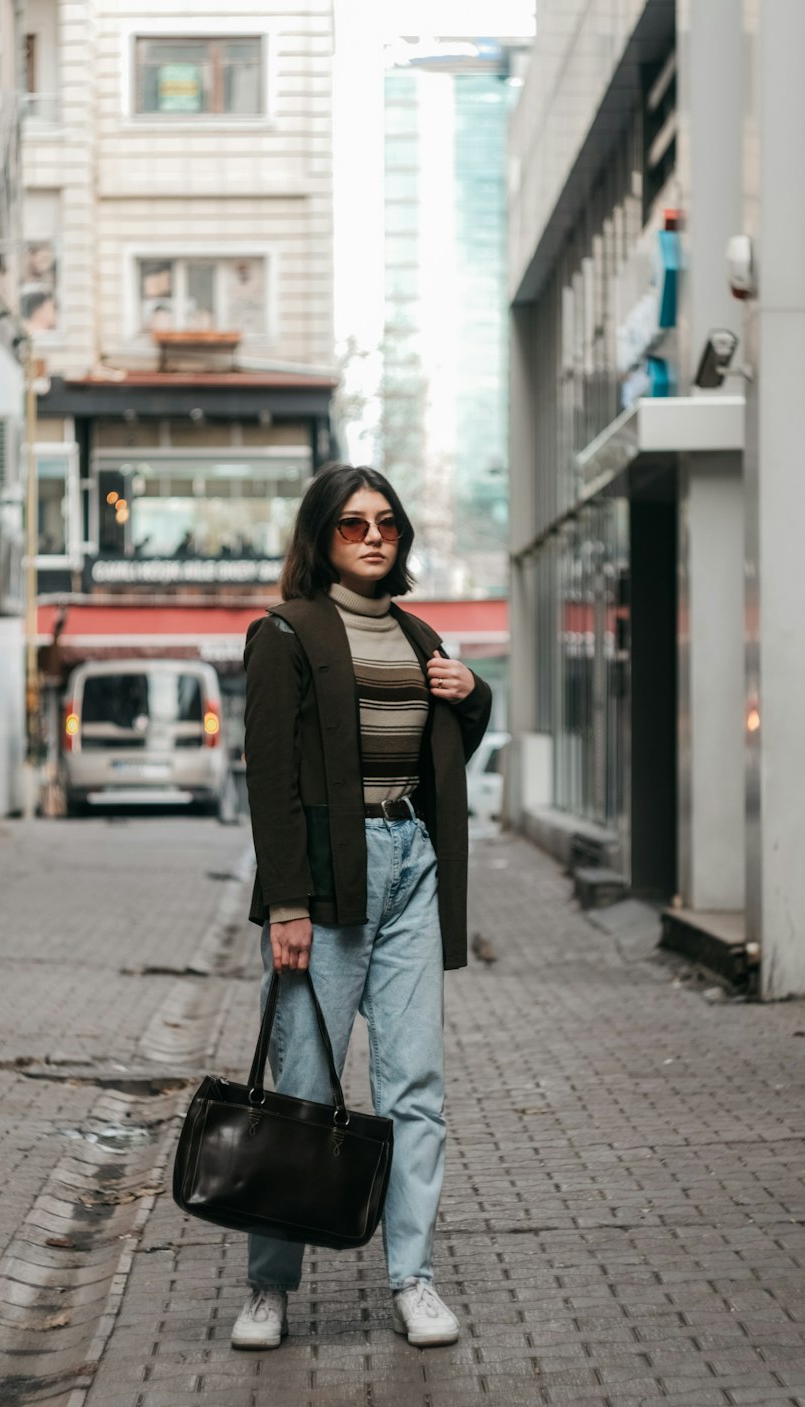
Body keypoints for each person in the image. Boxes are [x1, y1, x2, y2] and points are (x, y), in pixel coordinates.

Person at [233, 462, 492, 1351]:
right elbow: (269, 778)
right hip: (324, 879)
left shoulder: (422, 636)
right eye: (352, 524)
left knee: (415, 1086)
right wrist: (286, 905)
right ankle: (270, 1286)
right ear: (321, 537)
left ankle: (412, 1279)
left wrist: (473, 694)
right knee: (303, 1091)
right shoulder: (286, 633)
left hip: (411, 862)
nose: (374, 535)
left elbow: (444, 756)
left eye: (386, 522)